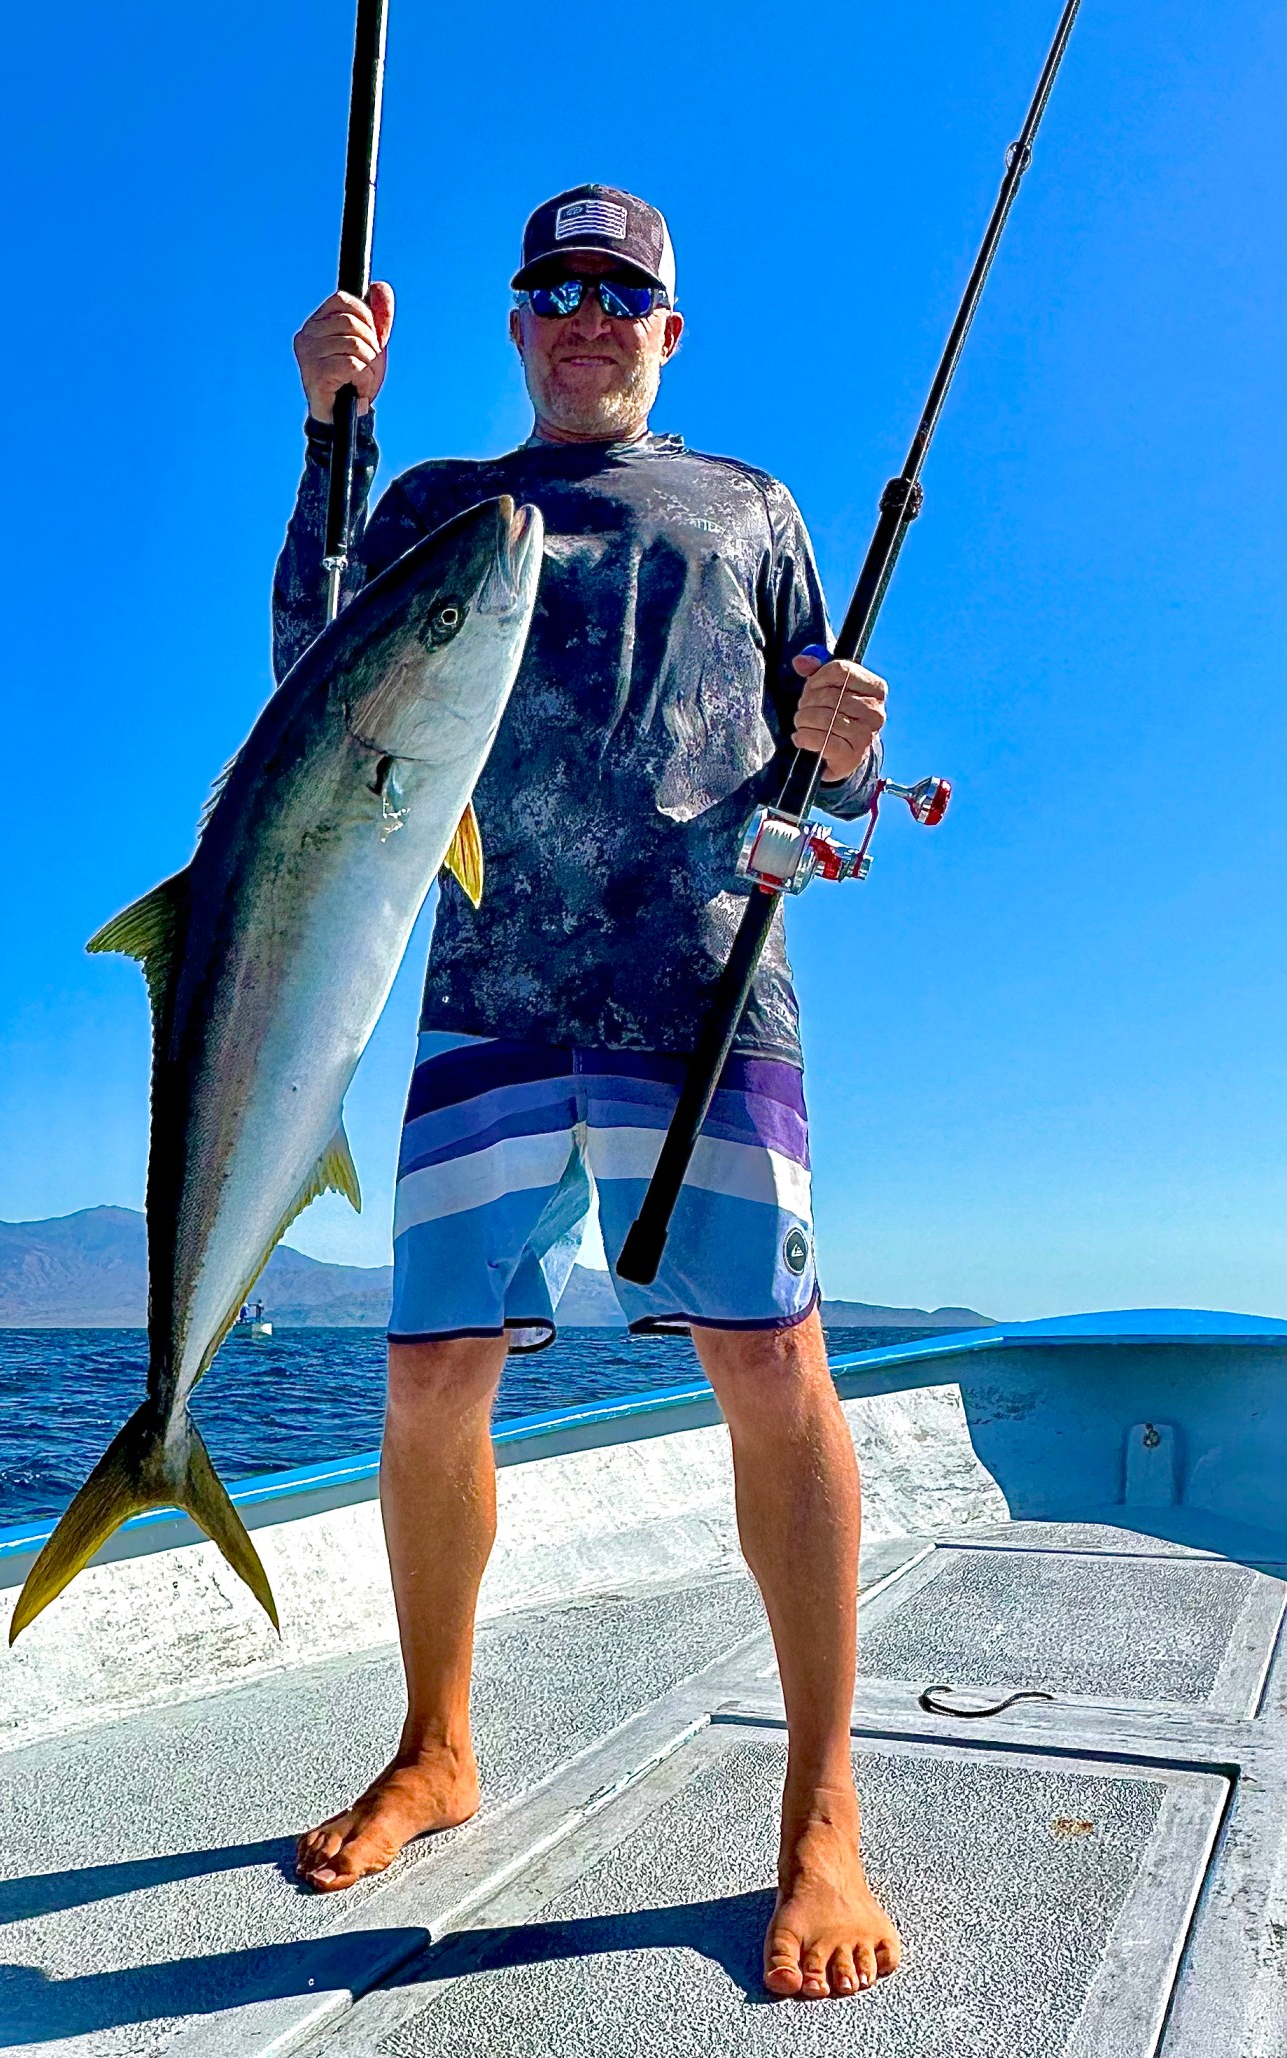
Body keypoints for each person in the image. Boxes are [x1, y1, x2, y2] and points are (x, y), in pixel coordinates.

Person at [274, 184, 899, 2002]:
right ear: (517, 322)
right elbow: (306, 680)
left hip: (699, 989)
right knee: (427, 1379)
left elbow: (831, 767)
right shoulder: (429, 507)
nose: (586, 313)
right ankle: (439, 1741)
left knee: (773, 1369)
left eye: (623, 290)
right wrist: (331, 432)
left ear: (668, 328)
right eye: (554, 287)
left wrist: (853, 749)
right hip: (483, 996)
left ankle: (821, 1812)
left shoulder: (751, 508)